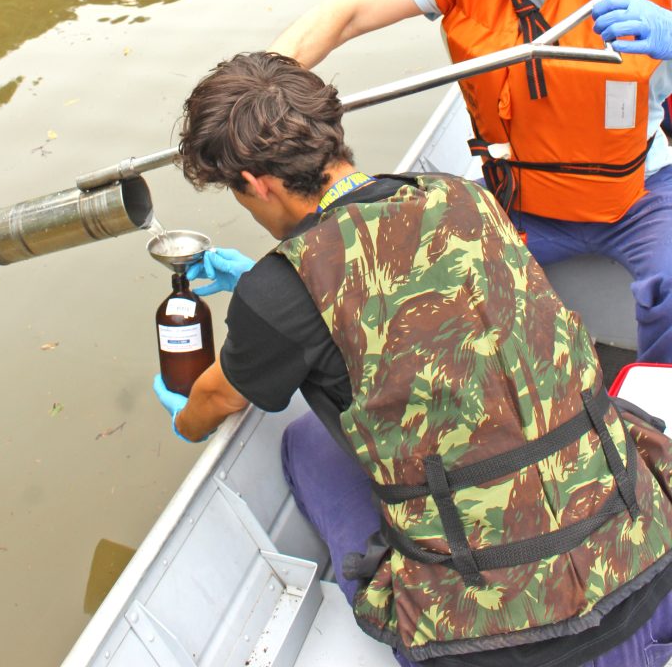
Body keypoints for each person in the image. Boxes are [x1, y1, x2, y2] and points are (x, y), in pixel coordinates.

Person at [153, 51, 672, 667]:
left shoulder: (279, 290)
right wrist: (262, 298)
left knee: (305, 444)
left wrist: (185, 415)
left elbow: (215, 397)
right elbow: (408, 290)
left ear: (257, 184)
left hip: (495, 650)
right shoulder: (466, 200)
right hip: (647, 574)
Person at [269, 0, 672, 364]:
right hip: (517, 197)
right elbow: (349, 11)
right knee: (388, 281)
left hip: (641, 194)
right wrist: (264, 75)